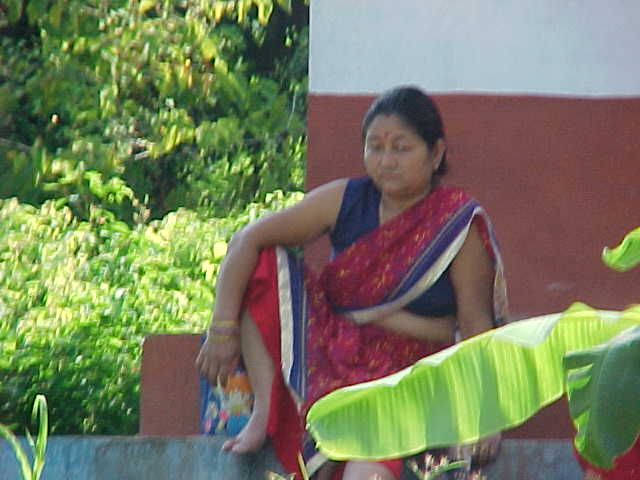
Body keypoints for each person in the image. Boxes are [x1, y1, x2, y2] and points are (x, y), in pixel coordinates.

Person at [196, 86, 508, 480]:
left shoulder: (457, 224)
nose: (386, 161)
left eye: (401, 148)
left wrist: (485, 419)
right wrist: (221, 330)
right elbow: (247, 239)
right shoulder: (346, 198)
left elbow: (476, 325)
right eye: (375, 147)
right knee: (263, 262)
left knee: (365, 461)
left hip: (410, 372)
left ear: (436, 153)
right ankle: (264, 412)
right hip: (333, 348)